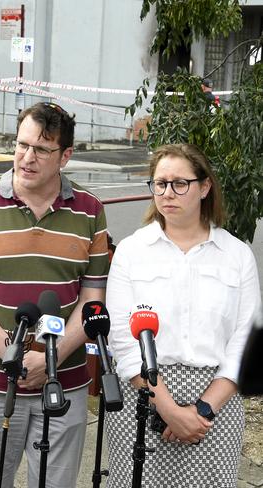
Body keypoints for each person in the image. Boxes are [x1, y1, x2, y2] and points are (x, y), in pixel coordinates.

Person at [0, 102, 110, 488]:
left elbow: (92, 297)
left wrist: (50, 358)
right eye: (21, 145)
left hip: (63, 381)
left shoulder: (90, 212)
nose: (26, 157)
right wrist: (14, 354)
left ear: (65, 156)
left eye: (41, 149)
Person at [105, 143, 261, 487]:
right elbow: (123, 341)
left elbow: (244, 341)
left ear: (204, 187)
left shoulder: (236, 255)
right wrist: (170, 410)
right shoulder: (132, 251)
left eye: (179, 183)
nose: (167, 193)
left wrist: (203, 410)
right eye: (160, 184)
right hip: (145, 396)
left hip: (215, 405)